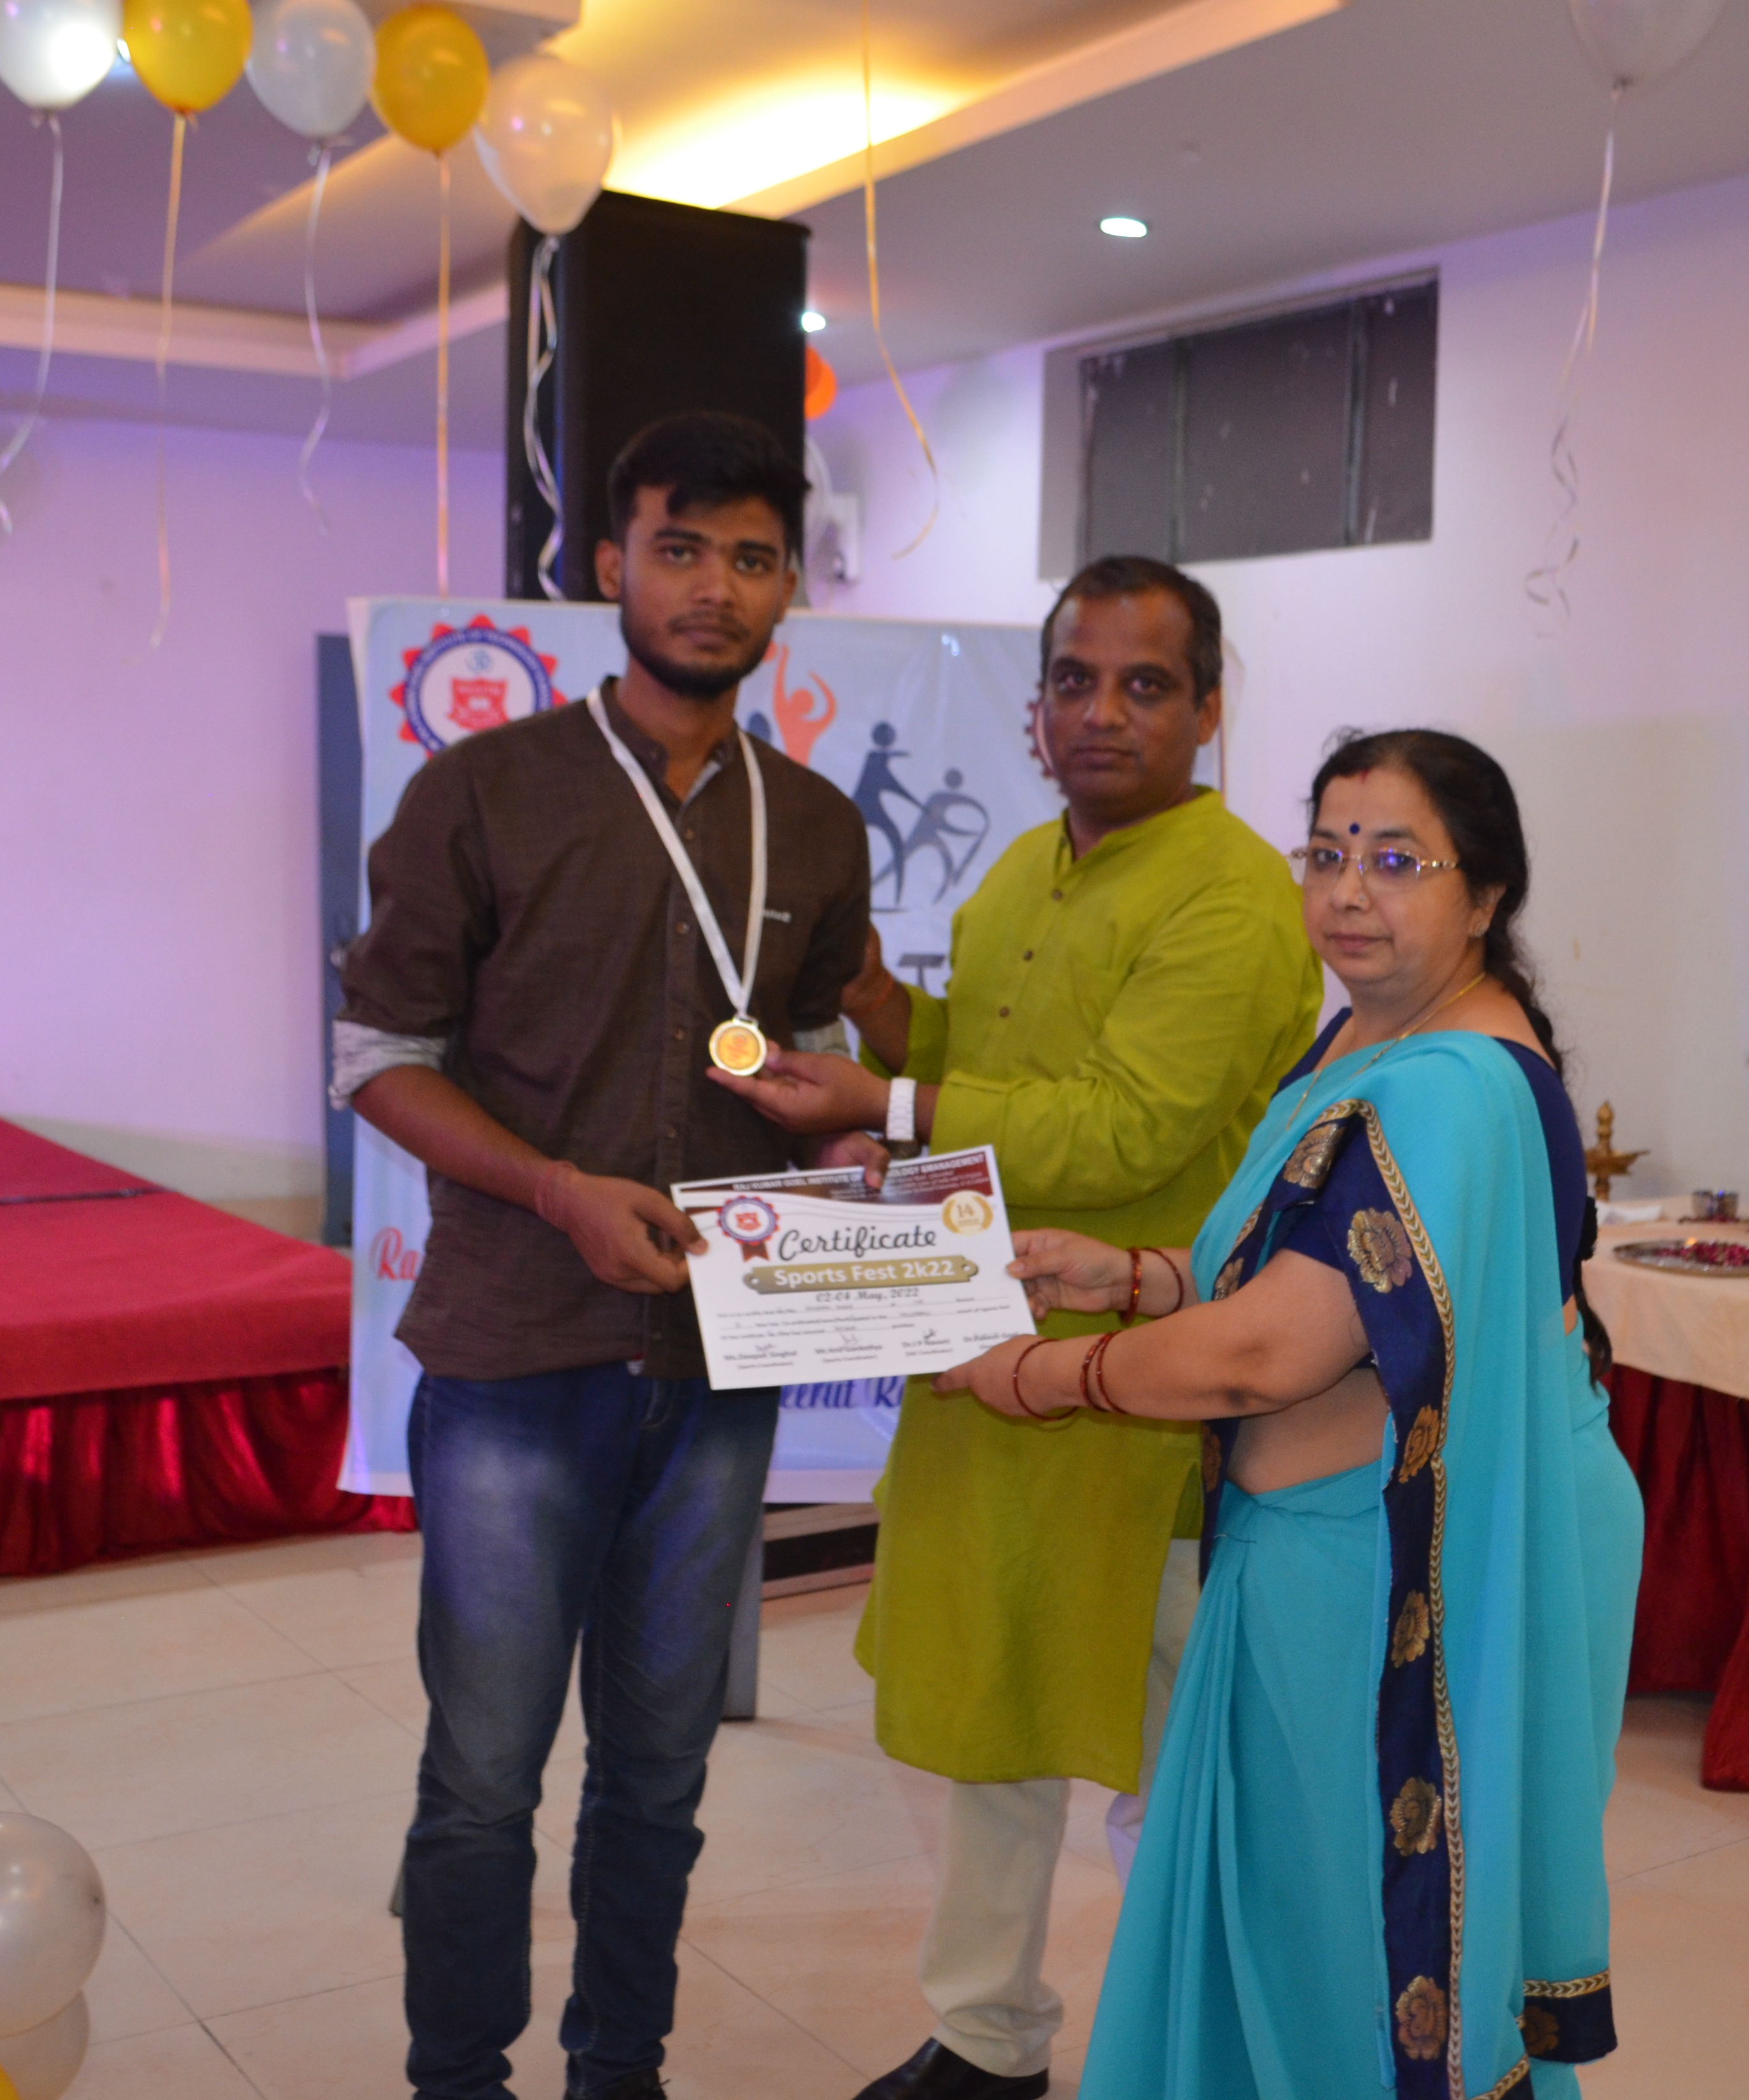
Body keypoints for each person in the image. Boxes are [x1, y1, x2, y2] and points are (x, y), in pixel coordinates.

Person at [934, 728, 1640, 2100]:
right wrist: (1128, 1276)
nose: (1348, 892)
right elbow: (1309, 1267)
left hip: (1392, 1575)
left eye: (1398, 861)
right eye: (1326, 854)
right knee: (1288, 1922)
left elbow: (1270, 1353)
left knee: (1350, 1960)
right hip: (1328, 1551)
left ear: (1486, 896)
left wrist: (1040, 1376)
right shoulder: (1373, 1035)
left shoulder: (1453, 1086)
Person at [713, 557, 1319, 2100]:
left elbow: (1123, 1130)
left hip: (1142, 1383)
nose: (1101, 712)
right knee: (996, 1715)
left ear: (1209, 710)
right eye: (1073, 680)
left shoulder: (1233, 893)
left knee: (1179, 1749)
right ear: (1036, 704)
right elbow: (978, 1062)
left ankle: (1230, 2044)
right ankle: (987, 2040)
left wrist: (895, 1095)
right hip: (988, 1354)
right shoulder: (1023, 870)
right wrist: (870, 1004)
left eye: (1145, 684)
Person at [333, 411, 875, 2100]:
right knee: (484, 1775)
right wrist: (555, 1187)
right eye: (680, 548)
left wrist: (848, 1152)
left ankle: (618, 2069)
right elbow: (378, 1059)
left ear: (788, 587)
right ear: (608, 567)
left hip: (719, 1363)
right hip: (514, 1353)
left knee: (659, 1774)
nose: (715, 588)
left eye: (752, 557)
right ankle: (458, 2079)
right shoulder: (486, 790)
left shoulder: (815, 825)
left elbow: (811, 1055)